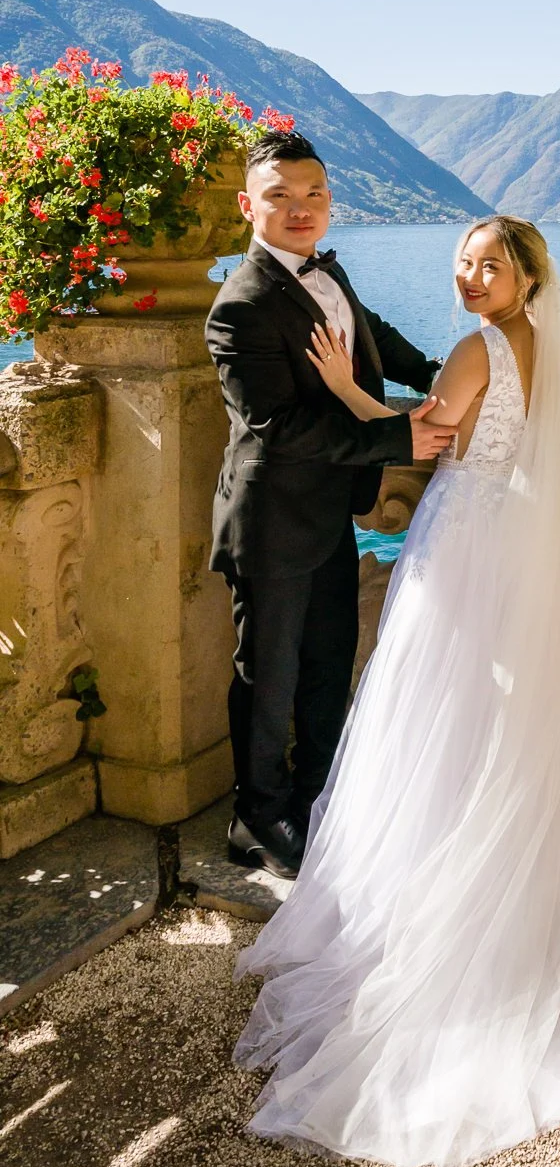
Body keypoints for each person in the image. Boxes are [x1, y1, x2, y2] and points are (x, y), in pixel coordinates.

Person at [232, 215, 560, 1167]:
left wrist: (349, 387)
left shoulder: (478, 350)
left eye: (490, 264)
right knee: (513, 732)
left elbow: (431, 440)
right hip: (529, 561)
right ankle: (514, 915)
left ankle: (431, 906)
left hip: (471, 549)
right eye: (464, 263)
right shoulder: (549, 350)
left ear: (525, 275)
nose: (471, 278)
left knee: (433, 724)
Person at [206, 131, 455, 880]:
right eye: (279, 195)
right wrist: (398, 439)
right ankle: (258, 818)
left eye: (313, 193)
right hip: (272, 520)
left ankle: (319, 798)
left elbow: (372, 340)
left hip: (328, 515)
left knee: (325, 664)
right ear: (249, 205)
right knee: (268, 675)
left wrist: (452, 374)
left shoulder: (326, 275)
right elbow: (279, 427)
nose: (300, 208)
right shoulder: (239, 307)